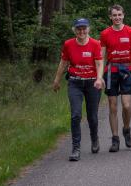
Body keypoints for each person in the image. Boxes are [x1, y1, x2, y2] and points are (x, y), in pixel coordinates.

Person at [53, 18, 104, 161]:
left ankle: (94, 139)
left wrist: (99, 79)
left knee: (92, 116)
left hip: (92, 84)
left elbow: (100, 63)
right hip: (75, 83)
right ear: (74, 30)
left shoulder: (95, 44)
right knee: (76, 115)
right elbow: (63, 62)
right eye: (78, 29)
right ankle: (76, 148)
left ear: (88, 29)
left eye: (84, 28)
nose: (81, 31)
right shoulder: (68, 44)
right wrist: (56, 80)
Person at [100, 4, 131, 152]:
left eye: (119, 15)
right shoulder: (105, 34)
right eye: (114, 15)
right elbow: (101, 56)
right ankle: (115, 138)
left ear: (123, 15)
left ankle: (127, 129)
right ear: (110, 17)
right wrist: (100, 76)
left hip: (126, 70)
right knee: (112, 106)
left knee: (126, 105)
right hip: (111, 71)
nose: (117, 17)